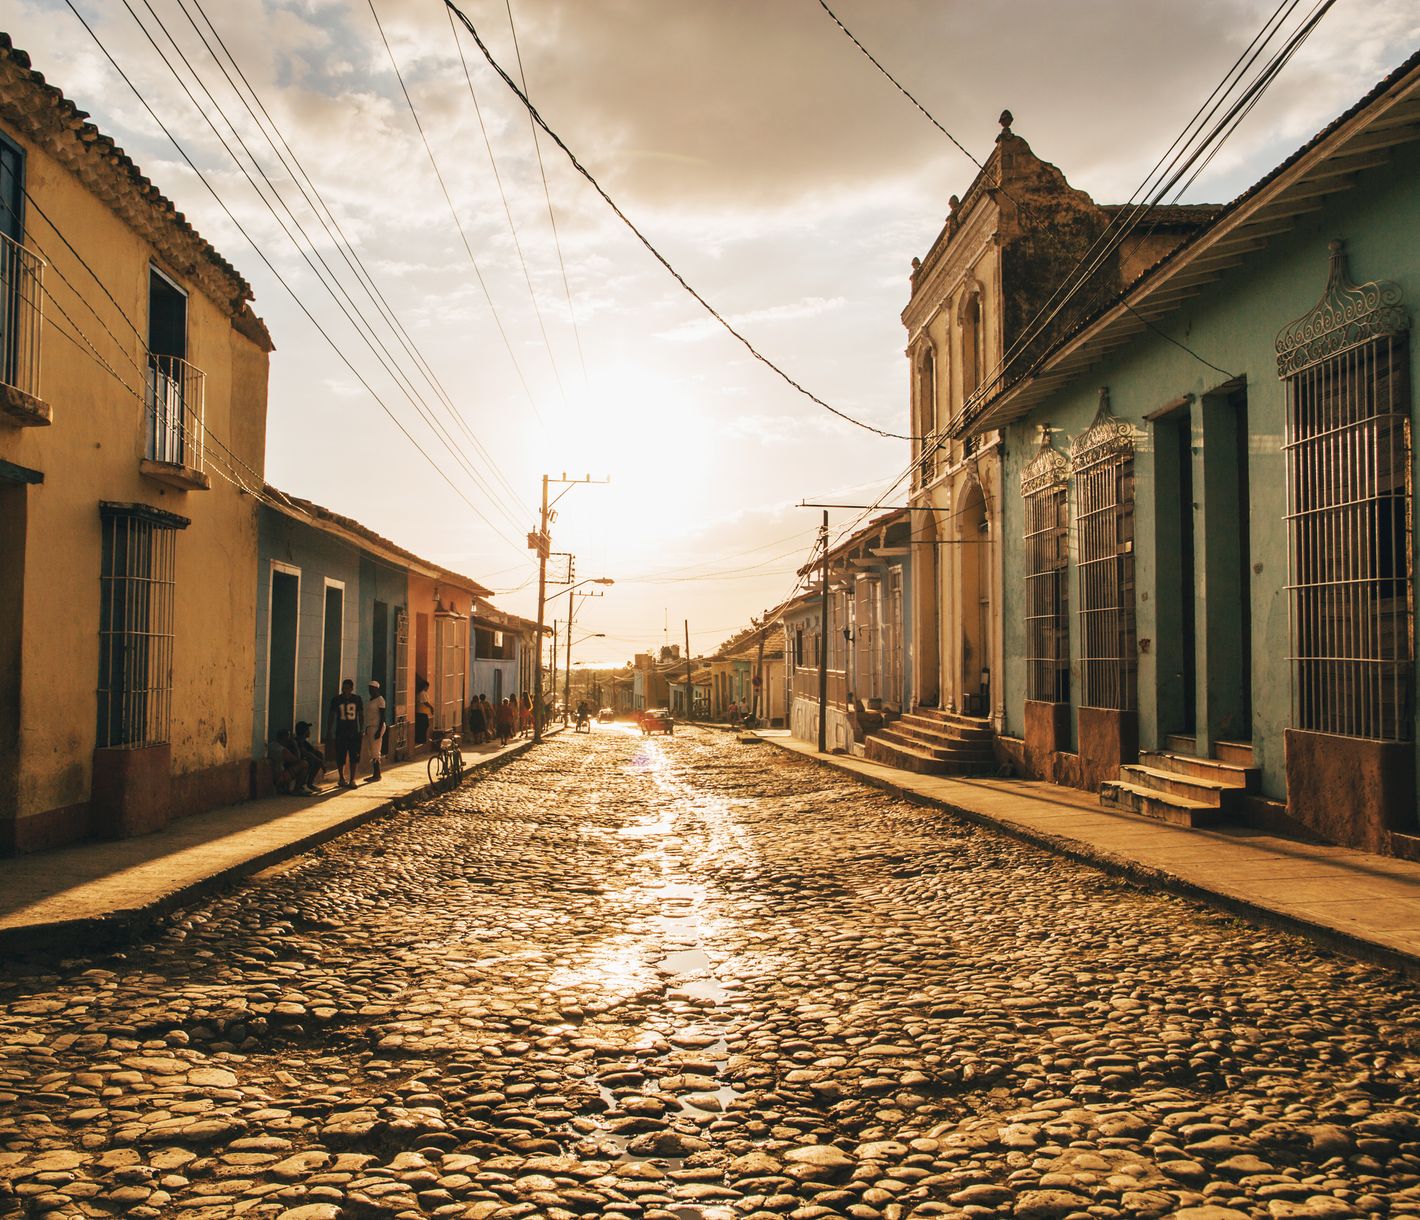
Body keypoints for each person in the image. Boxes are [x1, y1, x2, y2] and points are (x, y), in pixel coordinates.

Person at [327, 678, 363, 789]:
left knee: (354, 757)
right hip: (341, 732)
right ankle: (341, 777)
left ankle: (352, 779)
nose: (345, 690)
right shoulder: (336, 700)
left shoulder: (357, 699)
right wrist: (329, 730)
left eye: (347, 688)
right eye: (343, 688)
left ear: (351, 688)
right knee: (340, 756)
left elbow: (360, 715)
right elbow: (332, 715)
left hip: (353, 732)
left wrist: (360, 729)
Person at [266, 729, 306, 795]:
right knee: (304, 764)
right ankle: (297, 789)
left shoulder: (271, 745)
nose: (289, 739)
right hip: (278, 777)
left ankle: (285, 788)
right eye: (288, 737)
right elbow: (297, 760)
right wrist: (295, 745)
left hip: (274, 774)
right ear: (284, 738)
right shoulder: (281, 749)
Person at [293, 721, 327, 792]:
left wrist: (320, 760)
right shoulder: (297, 741)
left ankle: (310, 783)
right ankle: (301, 785)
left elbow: (314, 752)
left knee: (318, 755)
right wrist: (320, 761)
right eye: (308, 730)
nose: (309, 732)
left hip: (304, 762)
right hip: (296, 764)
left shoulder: (305, 742)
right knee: (310, 761)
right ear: (304, 731)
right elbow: (305, 753)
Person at [364, 679, 386, 783]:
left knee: (375, 751)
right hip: (370, 727)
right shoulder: (371, 700)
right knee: (371, 751)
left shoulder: (380, 700)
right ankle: (375, 773)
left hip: (377, 727)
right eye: (369, 689)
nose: (370, 690)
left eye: (372, 689)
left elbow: (382, 716)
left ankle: (377, 774)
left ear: (376, 689)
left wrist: (379, 730)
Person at [414, 675, 432, 747]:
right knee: (423, 726)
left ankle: (421, 740)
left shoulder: (423, 693)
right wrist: (431, 707)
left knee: (424, 726)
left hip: (423, 713)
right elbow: (425, 702)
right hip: (421, 713)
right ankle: (420, 740)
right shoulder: (422, 693)